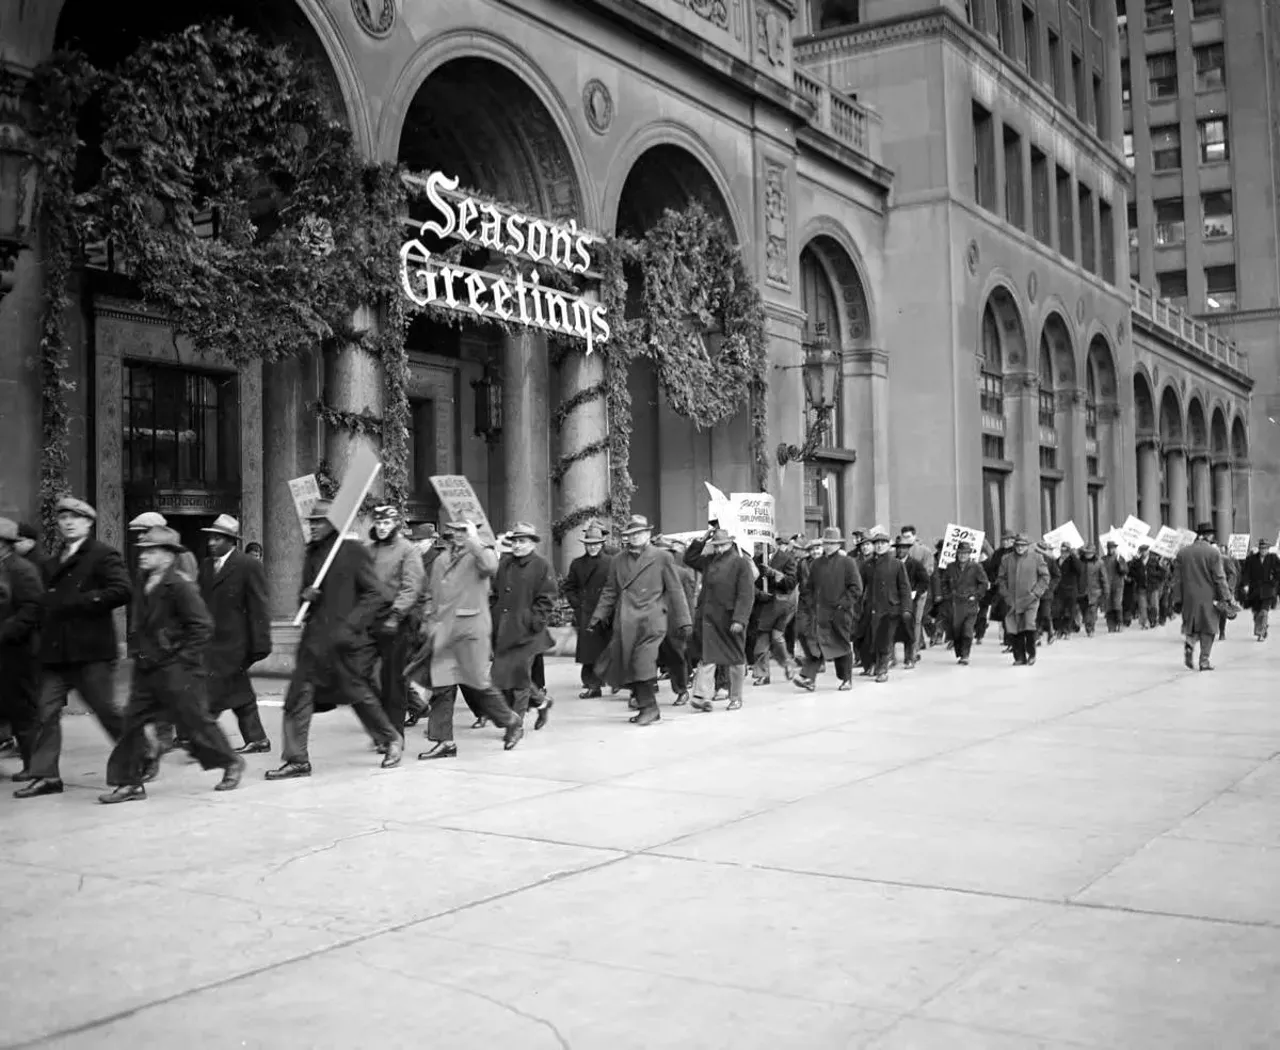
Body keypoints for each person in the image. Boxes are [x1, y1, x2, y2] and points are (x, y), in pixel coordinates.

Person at [100, 526, 245, 803]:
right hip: (146, 670)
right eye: (143, 550)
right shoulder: (144, 581)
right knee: (131, 723)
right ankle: (129, 783)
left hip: (178, 671)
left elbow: (202, 627)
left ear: (167, 557)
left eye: (151, 551)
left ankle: (230, 762)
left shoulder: (179, 585)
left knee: (196, 724)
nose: (143, 555)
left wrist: (182, 660)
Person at [266, 499, 403, 780]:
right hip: (314, 642)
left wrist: (350, 626)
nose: (312, 527)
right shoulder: (313, 553)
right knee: (297, 698)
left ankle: (390, 740)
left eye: (318, 522)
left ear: (332, 524)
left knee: (359, 696)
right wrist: (306, 596)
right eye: (311, 522)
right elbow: (309, 596)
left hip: (343, 643)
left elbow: (376, 594)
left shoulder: (351, 552)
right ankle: (297, 759)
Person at [15, 497, 132, 799]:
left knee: (106, 712)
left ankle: (138, 760)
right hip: (56, 653)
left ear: (89, 523)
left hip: (91, 651)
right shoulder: (52, 562)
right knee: (44, 712)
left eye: (75, 518)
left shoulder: (103, 555)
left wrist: (82, 601)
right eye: (63, 517)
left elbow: (122, 590)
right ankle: (46, 776)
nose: (68, 522)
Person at [412, 520, 525, 760]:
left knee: (478, 684)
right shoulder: (442, 559)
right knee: (442, 687)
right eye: (456, 529)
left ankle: (510, 720)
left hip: (471, 631)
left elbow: (491, 566)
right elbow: (431, 594)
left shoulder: (479, 554)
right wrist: (429, 620)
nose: (459, 534)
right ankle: (445, 742)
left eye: (464, 529)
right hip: (445, 631)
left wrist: (475, 539)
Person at [591, 514, 692, 726]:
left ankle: (650, 708)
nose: (635, 537)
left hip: (652, 619)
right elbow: (610, 590)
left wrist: (684, 620)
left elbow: (675, 590)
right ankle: (645, 706)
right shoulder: (618, 560)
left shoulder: (662, 557)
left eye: (639, 533)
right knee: (627, 665)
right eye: (631, 534)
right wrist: (598, 616)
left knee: (642, 663)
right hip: (626, 620)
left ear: (648, 534)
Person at [198, 514, 273, 754]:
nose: (211, 543)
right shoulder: (206, 566)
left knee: (210, 694)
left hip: (235, 645)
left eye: (217, 538)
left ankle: (199, 740)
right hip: (211, 643)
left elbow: (259, 606)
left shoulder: (248, 565)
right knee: (239, 693)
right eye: (210, 538)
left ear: (231, 541)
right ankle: (257, 739)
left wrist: (260, 645)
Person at [491, 521, 558, 729]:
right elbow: (495, 593)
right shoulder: (505, 563)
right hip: (505, 630)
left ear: (532, 543)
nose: (517, 545)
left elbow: (547, 598)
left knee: (519, 678)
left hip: (528, 632)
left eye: (522, 541)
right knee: (502, 676)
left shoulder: (541, 565)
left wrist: (533, 622)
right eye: (515, 541)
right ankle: (541, 702)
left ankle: (515, 725)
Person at [367, 505, 425, 736]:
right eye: (378, 523)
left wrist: (396, 614)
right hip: (370, 619)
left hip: (396, 622)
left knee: (393, 682)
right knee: (364, 676)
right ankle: (381, 727)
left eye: (386, 523)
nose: (381, 528)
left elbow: (412, 586)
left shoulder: (407, 550)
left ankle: (394, 734)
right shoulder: (369, 549)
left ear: (395, 524)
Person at [684, 528, 754, 712]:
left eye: (722, 544)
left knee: (736, 659)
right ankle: (702, 697)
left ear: (730, 543)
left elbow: (746, 594)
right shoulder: (709, 561)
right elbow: (689, 559)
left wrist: (740, 619)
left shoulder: (741, 563)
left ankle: (736, 697)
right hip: (710, 618)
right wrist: (701, 540)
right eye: (716, 545)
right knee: (708, 656)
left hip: (731, 619)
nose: (719, 548)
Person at [0, 518, 44, 779]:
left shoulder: (22, 570)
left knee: (23, 711)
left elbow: (33, 609)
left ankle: (35, 767)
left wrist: (4, 633)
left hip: (17, 652)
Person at [794, 527, 862, 691]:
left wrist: (843, 605)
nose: (828, 546)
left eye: (832, 543)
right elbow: (808, 587)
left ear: (838, 544)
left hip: (840, 613)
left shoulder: (847, 562)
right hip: (820, 613)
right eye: (826, 543)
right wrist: (811, 603)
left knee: (841, 644)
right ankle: (808, 678)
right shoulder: (817, 564)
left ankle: (846, 679)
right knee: (816, 644)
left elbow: (856, 588)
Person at [1172, 522, 1234, 671]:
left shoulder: (1182, 553)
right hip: (1208, 597)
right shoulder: (1213, 553)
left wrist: (1177, 599)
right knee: (1209, 629)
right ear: (1209, 536)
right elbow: (1219, 578)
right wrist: (1227, 597)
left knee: (1192, 626)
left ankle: (1190, 644)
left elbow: (1177, 580)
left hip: (1189, 597)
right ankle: (1204, 661)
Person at [563, 522, 613, 699]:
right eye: (589, 544)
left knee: (606, 649)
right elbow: (569, 586)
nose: (592, 547)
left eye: (596, 544)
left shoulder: (610, 562)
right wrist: (578, 604)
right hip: (585, 611)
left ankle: (611, 680)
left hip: (605, 612)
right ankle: (593, 685)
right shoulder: (577, 564)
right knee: (588, 651)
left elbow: (615, 587)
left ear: (601, 544)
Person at [862, 528, 912, 683]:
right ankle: (874, 665)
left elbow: (904, 587)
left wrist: (906, 608)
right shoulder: (868, 565)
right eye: (876, 543)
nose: (879, 546)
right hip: (872, 607)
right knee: (871, 637)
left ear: (888, 545)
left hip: (891, 607)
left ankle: (882, 669)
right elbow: (860, 585)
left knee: (885, 639)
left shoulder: (896, 564)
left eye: (883, 543)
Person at [748, 535, 798, 686]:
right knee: (762, 639)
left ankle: (787, 663)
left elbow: (791, 583)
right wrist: (758, 592)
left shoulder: (787, 559)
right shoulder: (756, 559)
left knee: (776, 637)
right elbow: (750, 581)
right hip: (763, 605)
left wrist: (774, 574)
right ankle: (763, 674)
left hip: (780, 606)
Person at [997, 534, 1049, 666]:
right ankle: (1019, 657)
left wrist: (1036, 592)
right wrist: (1005, 594)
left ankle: (1031, 654)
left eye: (1023, 545)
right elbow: (1001, 579)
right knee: (1015, 629)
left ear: (1027, 546)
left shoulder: (1037, 558)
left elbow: (1045, 577)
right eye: (1018, 545)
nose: (1020, 548)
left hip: (1030, 599)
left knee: (1029, 625)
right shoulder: (1006, 559)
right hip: (1013, 600)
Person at [939, 540, 989, 665]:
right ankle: (960, 653)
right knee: (957, 631)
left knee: (967, 630)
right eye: (960, 553)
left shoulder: (976, 567)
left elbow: (983, 583)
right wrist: (947, 595)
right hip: (955, 604)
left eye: (965, 553)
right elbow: (944, 582)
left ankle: (965, 655)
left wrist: (976, 596)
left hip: (969, 603)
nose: (962, 556)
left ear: (969, 554)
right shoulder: (950, 567)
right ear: (957, 554)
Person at [892, 534, 930, 669]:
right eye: (899, 548)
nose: (901, 551)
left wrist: (916, 592)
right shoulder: (892, 563)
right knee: (891, 629)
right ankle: (892, 658)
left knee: (909, 629)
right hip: (894, 601)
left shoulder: (915, 564)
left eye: (904, 548)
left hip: (909, 601)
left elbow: (925, 581)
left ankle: (910, 657)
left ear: (908, 549)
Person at [1239, 537, 1280, 642]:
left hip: (1268, 589)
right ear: (1259, 548)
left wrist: (1274, 582)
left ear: (1268, 548)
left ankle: (1261, 633)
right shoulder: (1251, 559)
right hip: (1255, 590)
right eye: (1261, 548)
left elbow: (1278, 572)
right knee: (1256, 613)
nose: (1263, 550)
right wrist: (1245, 584)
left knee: (1264, 612)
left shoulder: (1273, 558)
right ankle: (1262, 628)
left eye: (1265, 548)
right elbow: (1246, 573)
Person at [1078, 545, 1109, 638]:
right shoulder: (1080, 562)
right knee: (1084, 611)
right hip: (1082, 591)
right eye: (1087, 553)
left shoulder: (1099, 563)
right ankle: (1088, 626)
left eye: (1090, 553)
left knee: (1092, 611)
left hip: (1095, 591)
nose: (1088, 555)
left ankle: (1090, 628)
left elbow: (1104, 577)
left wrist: (1106, 590)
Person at [1053, 542, 1082, 640]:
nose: (1063, 553)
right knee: (1058, 611)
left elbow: (1079, 569)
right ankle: (1059, 630)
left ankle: (1067, 630)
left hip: (1071, 590)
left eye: (1066, 551)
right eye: (1062, 551)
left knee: (1069, 612)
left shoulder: (1072, 561)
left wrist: (1073, 555)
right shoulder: (1057, 561)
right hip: (1059, 591)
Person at [1034, 542, 1060, 646]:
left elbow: (1057, 575)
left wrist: (1050, 587)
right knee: (1034, 615)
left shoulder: (1050, 561)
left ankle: (1050, 632)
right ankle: (1036, 637)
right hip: (1034, 592)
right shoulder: (1031, 561)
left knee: (1045, 614)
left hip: (1046, 593)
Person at [1102, 541, 1127, 633]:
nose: (1111, 550)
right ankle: (1111, 625)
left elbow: (1124, 570)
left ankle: (1120, 623)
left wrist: (1119, 561)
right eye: (1109, 548)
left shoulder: (1120, 559)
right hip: (1107, 585)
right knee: (1108, 605)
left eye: (1113, 548)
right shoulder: (1103, 559)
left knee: (1116, 604)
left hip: (1118, 585)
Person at [1219, 545, 1240, 641]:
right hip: (1210, 589)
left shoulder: (1225, 560)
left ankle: (1222, 631)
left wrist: (1230, 589)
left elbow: (1233, 574)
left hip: (1224, 588)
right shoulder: (1206, 560)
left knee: (1223, 609)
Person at [1130, 545, 1152, 628]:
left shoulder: (1153, 560)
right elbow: (1131, 571)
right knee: (1142, 605)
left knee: (1152, 605)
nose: (1143, 553)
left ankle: (1152, 619)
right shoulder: (1137, 562)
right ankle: (1144, 622)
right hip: (1141, 586)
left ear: (1148, 551)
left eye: (1145, 551)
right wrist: (1137, 576)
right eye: (1142, 551)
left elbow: (1162, 572)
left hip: (1152, 586)